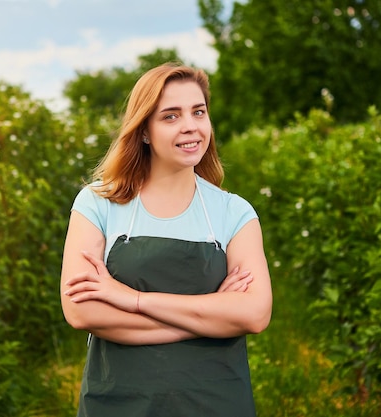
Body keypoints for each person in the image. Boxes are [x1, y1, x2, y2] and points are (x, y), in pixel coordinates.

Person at [60, 63, 273, 417]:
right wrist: (209, 316)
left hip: (216, 402)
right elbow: (82, 310)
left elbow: (254, 314)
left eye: (198, 112)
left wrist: (132, 299)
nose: (190, 125)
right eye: (170, 116)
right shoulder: (99, 203)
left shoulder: (233, 212)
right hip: (117, 403)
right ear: (144, 131)